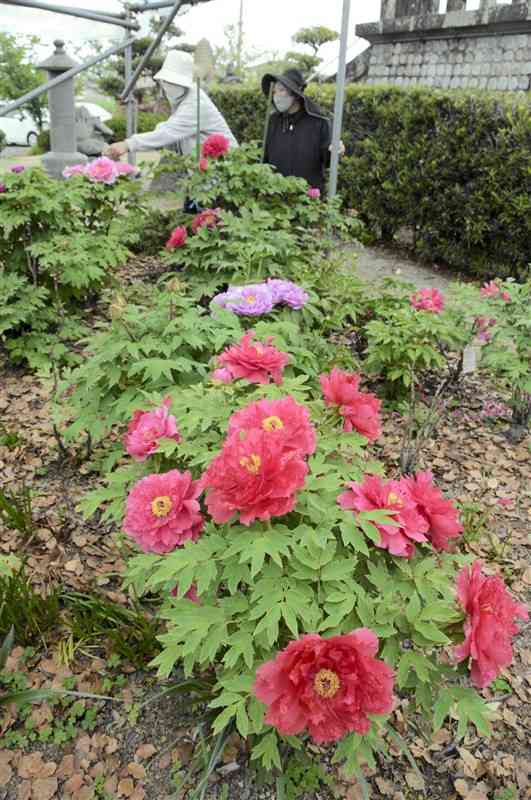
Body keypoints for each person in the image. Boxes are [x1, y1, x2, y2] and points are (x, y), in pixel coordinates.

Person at [106, 50, 238, 207]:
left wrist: (128, 144)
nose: (169, 86)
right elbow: (168, 129)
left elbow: (169, 132)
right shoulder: (183, 100)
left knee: (211, 221)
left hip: (223, 174)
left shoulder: (196, 103)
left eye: (175, 83)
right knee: (195, 218)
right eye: (167, 82)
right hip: (201, 176)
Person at [261, 68, 344, 195]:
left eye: (281, 90)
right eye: (274, 92)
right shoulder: (273, 121)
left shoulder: (319, 122)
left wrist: (337, 151)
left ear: (295, 94)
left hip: (307, 201)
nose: (276, 96)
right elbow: (265, 159)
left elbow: (328, 161)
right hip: (275, 198)